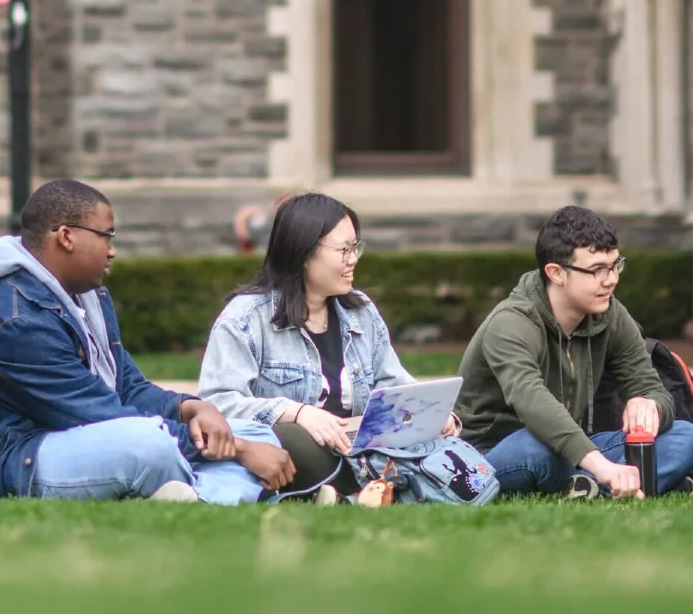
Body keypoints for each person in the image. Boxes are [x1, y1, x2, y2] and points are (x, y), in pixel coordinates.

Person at [0, 179, 295, 502]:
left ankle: (193, 497)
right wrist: (240, 451)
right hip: (7, 463)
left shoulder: (87, 296)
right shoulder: (15, 318)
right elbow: (101, 413)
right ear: (66, 236)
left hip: (74, 439)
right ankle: (221, 490)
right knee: (150, 446)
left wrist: (192, 408)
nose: (113, 250)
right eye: (107, 236)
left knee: (250, 428)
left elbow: (126, 388)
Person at [198, 192, 496, 505]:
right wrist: (297, 413)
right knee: (293, 439)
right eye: (344, 250)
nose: (353, 259)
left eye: (356, 247)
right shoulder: (246, 317)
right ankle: (374, 489)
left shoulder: (361, 311)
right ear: (303, 252)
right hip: (302, 452)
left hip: (363, 449)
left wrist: (432, 414)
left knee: (426, 444)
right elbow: (216, 404)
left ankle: (356, 492)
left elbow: (393, 384)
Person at [457, 206, 693, 498]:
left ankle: (586, 488)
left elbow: (652, 388)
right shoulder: (511, 323)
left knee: (685, 437)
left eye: (615, 265)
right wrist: (601, 465)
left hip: (575, 449)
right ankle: (616, 483)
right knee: (535, 448)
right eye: (597, 270)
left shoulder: (610, 313)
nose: (611, 279)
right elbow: (533, 402)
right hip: (495, 452)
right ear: (556, 273)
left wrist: (651, 406)